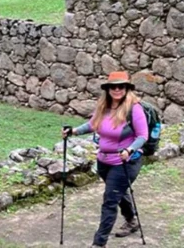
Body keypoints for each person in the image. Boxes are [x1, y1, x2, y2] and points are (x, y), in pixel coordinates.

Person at [62, 71, 149, 247]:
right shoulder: (104, 107)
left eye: (121, 86)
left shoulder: (134, 108)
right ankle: (132, 220)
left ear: (127, 88)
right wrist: (74, 131)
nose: (117, 89)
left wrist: (129, 149)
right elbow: (93, 124)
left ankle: (99, 243)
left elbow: (142, 136)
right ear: (108, 89)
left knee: (110, 201)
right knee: (117, 191)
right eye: (113, 86)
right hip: (103, 161)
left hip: (125, 162)